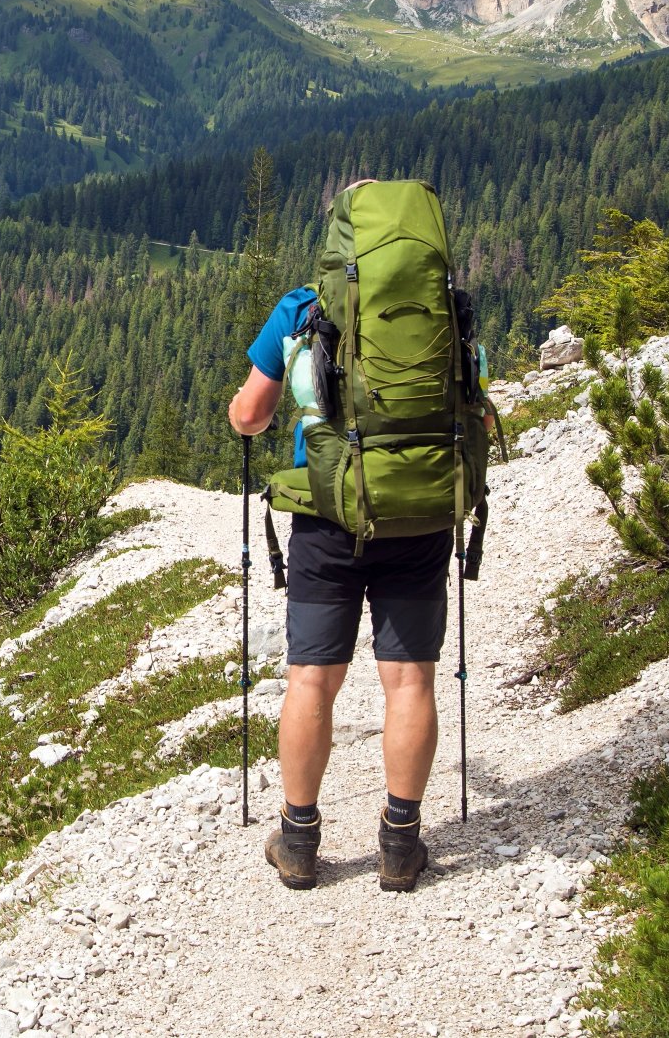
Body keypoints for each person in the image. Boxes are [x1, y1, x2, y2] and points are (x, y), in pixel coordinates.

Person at [227, 234, 448, 893]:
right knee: (409, 682)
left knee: (311, 680)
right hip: (415, 515)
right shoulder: (441, 308)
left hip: (325, 516)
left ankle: (297, 841)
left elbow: (249, 414)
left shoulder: (302, 309)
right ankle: (400, 845)